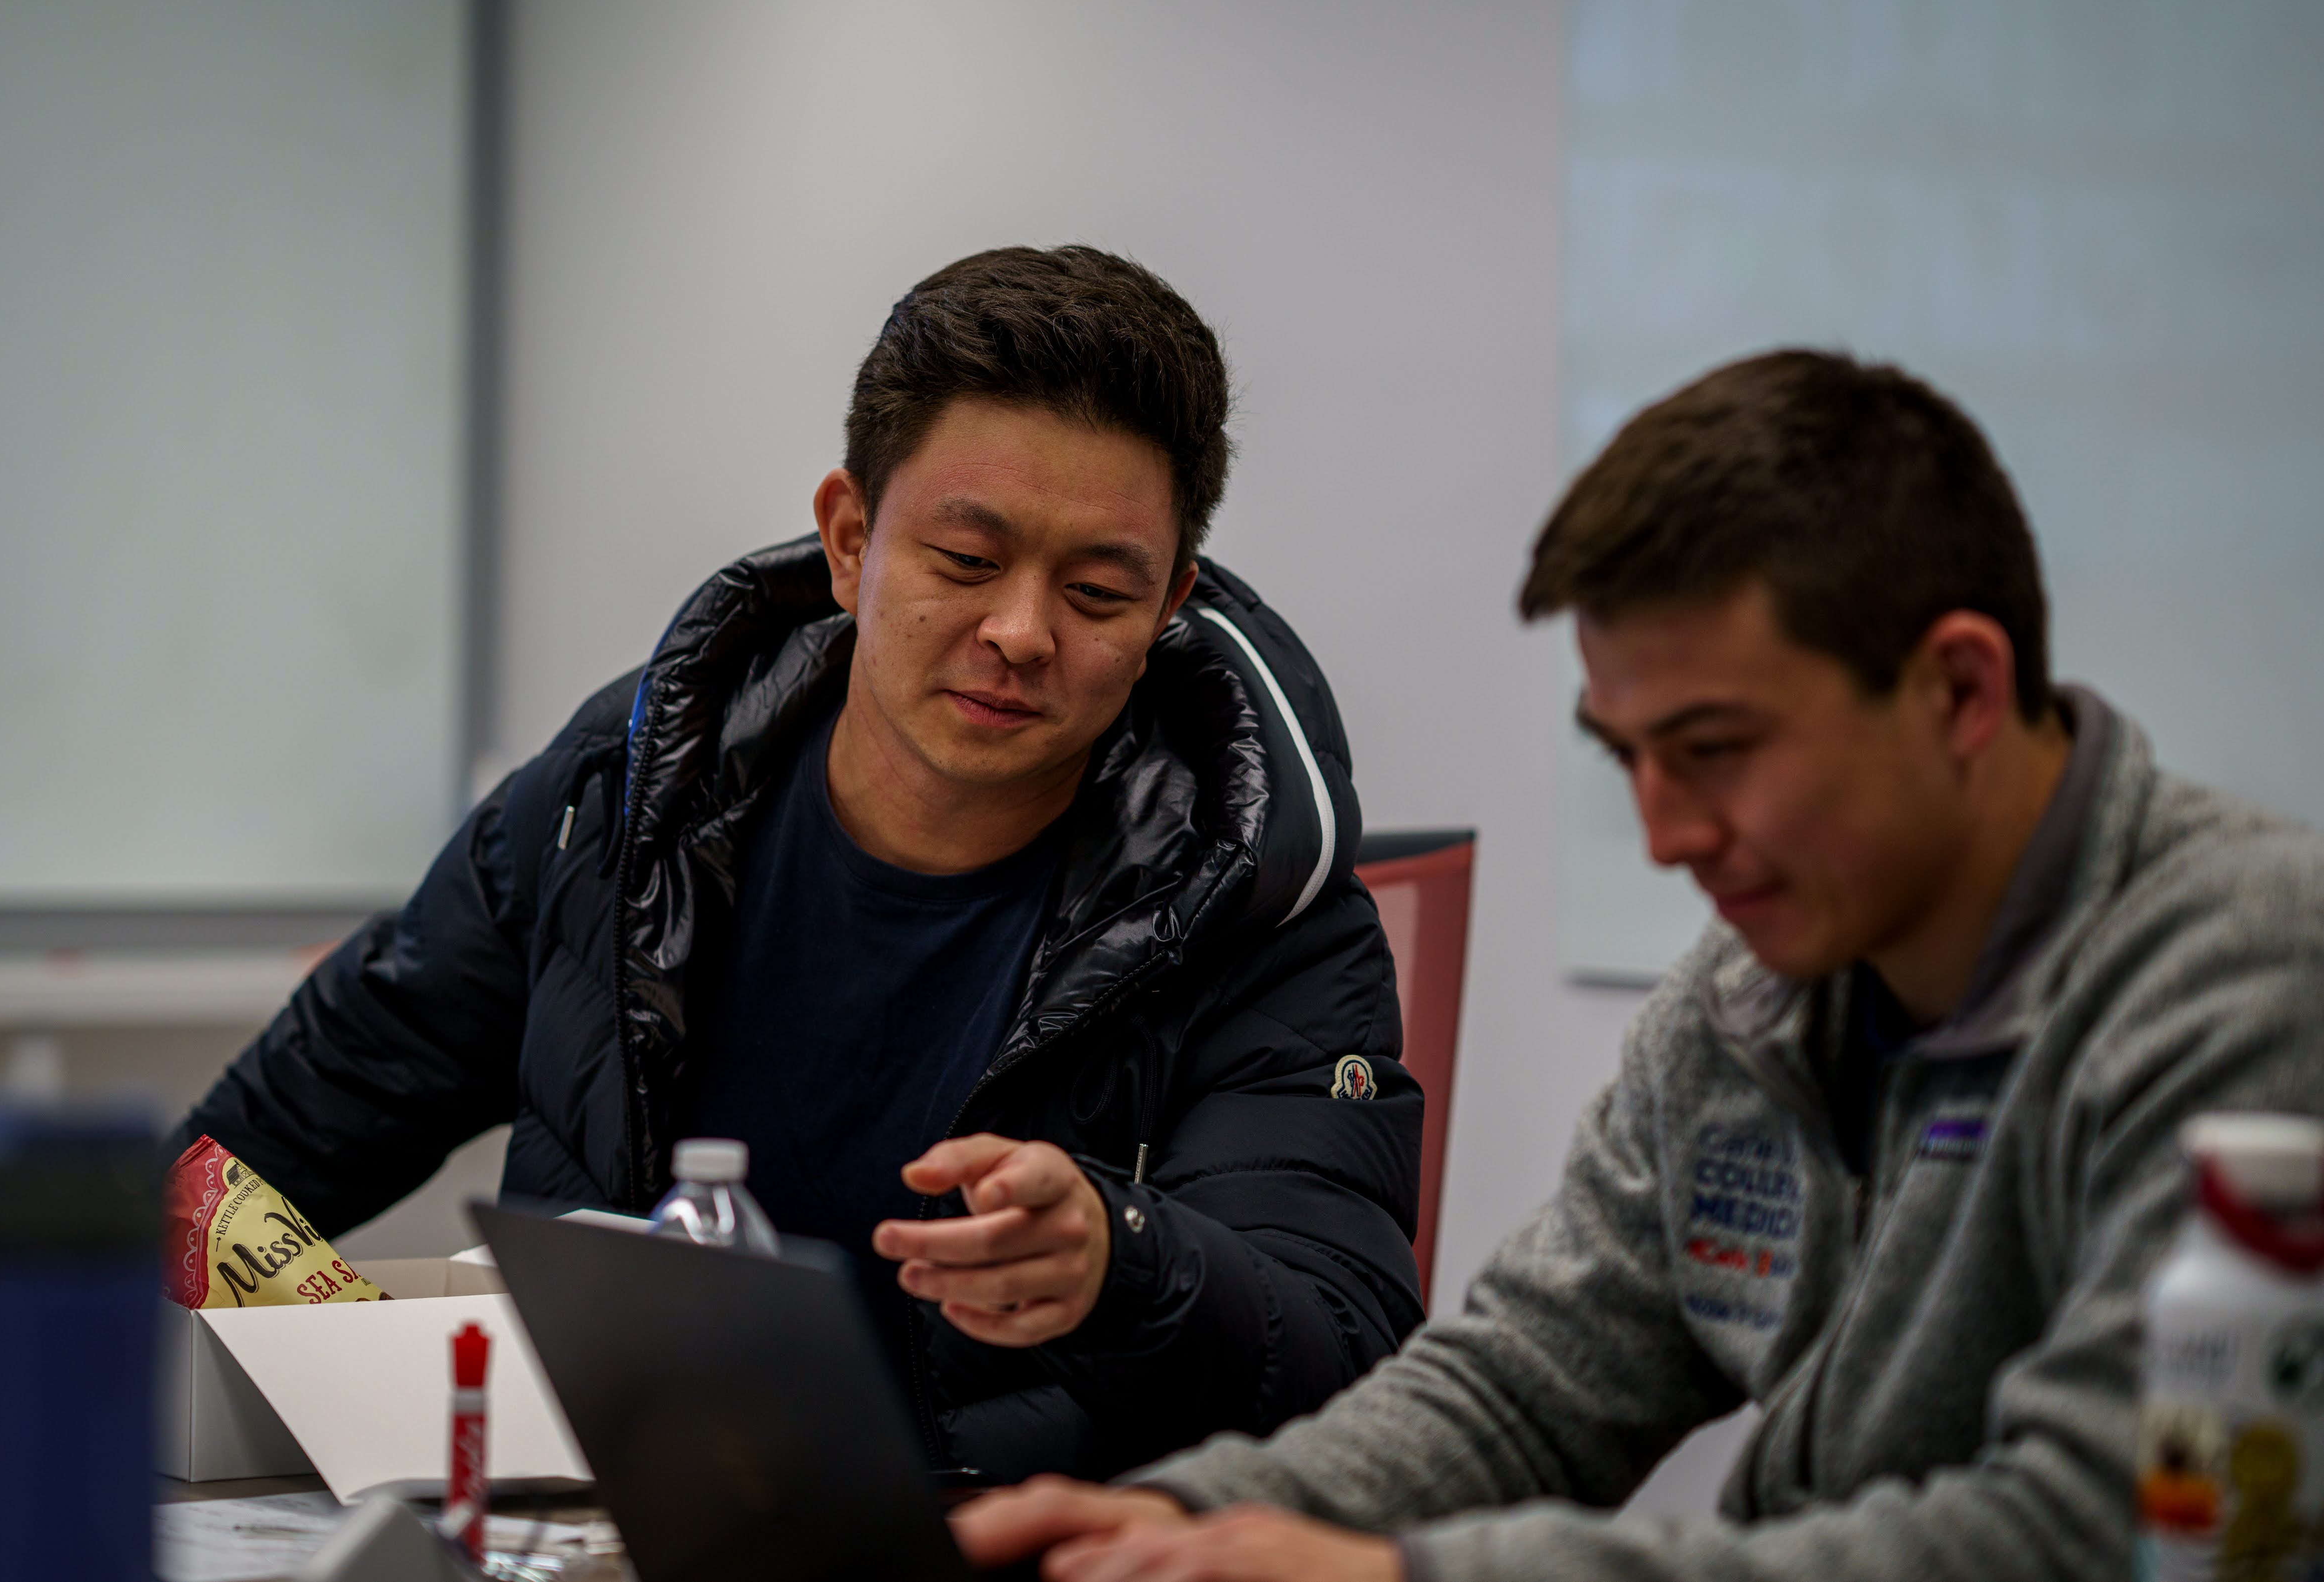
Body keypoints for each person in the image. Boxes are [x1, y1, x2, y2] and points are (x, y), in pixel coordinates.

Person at [954, 349, 2324, 1579]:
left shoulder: (2249, 972)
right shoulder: (1751, 1000)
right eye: (1629, 761)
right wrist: (1179, 1523)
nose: (1666, 836)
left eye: (1717, 749)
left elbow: (2093, 1529)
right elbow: (1526, 1390)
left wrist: (1407, 1580)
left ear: (1960, 690)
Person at [171, 246, 1424, 1482]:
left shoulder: (1259, 910)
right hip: (603, 1535)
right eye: (967, 563)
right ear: (849, 538)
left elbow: (1348, 1366)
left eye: (1098, 593)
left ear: (1167, 610)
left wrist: (1126, 1257)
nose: (1021, 633)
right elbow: (297, 1118)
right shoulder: (620, 800)